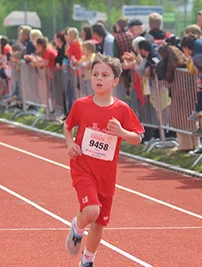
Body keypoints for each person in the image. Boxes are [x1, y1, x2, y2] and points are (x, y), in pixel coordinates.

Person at [63, 54, 144, 267]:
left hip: (106, 173)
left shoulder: (121, 109)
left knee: (99, 224)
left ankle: (87, 260)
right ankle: (77, 228)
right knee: (91, 211)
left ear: (115, 81)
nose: (99, 78)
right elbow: (67, 126)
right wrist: (70, 143)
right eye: (95, 74)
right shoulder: (81, 105)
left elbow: (137, 138)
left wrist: (121, 132)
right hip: (83, 167)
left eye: (105, 75)